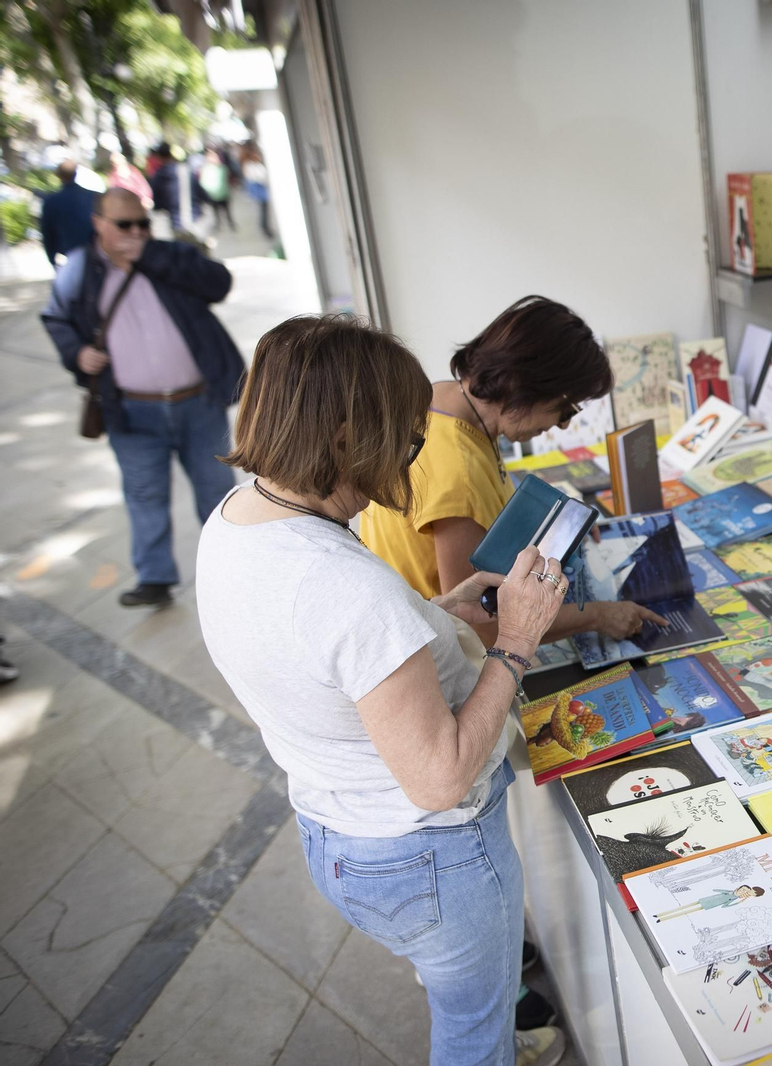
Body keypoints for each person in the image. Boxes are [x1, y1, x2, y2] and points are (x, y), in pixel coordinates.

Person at [195, 314, 568, 1066]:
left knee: (457, 993)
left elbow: (326, 658)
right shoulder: (345, 588)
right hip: (431, 856)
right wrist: (519, 639)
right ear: (345, 437)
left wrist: (430, 617)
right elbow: (438, 778)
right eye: (405, 437)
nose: (412, 454)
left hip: (336, 833)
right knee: (474, 1035)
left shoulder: (235, 521)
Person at [362, 295, 666, 650]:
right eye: (564, 410)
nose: (564, 426)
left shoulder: (441, 399)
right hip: (439, 656)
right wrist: (599, 616)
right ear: (526, 386)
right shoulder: (456, 471)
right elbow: (480, 624)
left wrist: (560, 527)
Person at [40, 188, 242, 608]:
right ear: (99, 223)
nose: (136, 232)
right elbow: (56, 318)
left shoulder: (168, 255)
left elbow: (218, 283)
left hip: (198, 401)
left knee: (217, 492)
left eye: (143, 223)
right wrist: (77, 353)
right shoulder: (79, 270)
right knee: (145, 494)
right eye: (124, 224)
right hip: (130, 409)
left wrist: (151, 256)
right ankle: (154, 578)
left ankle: (234, 570)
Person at [37, 161, 97, 268]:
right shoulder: (94, 197)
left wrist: (52, 259)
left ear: (58, 175)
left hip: (68, 254)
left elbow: (48, 233)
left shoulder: (52, 201)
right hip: (94, 252)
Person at [240, 143, 272, 238]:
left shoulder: (251, 165)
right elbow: (258, 177)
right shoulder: (251, 165)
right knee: (263, 210)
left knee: (263, 210)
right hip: (259, 191)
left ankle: (265, 227)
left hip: (260, 190)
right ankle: (264, 228)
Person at [199, 148, 235, 232]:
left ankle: (231, 223)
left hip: (223, 193)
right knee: (216, 212)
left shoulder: (222, 168)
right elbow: (203, 182)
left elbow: (228, 178)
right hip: (212, 194)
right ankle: (218, 224)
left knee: (227, 211)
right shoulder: (205, 169)